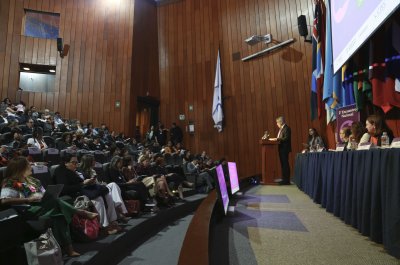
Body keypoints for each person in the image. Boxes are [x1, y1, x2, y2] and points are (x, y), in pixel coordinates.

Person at [1, 156, 98, 257]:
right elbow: (4, 200)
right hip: (28, 209)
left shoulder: (33, 180)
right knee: (56, 203)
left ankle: (68, 248)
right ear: (20, 168)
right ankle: (79, 212)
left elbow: (44, 193)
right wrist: (28, 199)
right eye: (28, 166)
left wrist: (47, 195)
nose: (31, 167)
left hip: (44, 205)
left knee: (60, 215)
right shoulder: (11, 182)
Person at [54, 154, 120, 235]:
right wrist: (83, 183)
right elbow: (65, 190)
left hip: (85, 192)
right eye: (73, 162)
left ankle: (112, 221)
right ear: (66, 163)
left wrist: (90, 181)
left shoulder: (76, 171)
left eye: (76, 163)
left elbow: (84, 181)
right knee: (98, 199)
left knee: (107, 196)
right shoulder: (62, 173)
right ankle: (103, 227)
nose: (75, 165)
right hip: (76, 196)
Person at [78, 155, 130, 223]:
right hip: (92, 191)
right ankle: (120, 212)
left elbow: (96, 183)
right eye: (93, 161)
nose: (95, 162)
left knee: (114, 185)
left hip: (98, 188)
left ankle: (118, 210)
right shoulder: (81, 172)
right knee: (112, 187)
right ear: (89, 162)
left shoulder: (93, 171)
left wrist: (101, 184)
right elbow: (86, 184)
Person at [269, 117, 292, 185]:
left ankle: (286, 180)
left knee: (285, 165)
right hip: (281, 148)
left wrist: (276, 139)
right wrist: (276, 139)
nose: (277, 124)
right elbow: (281, 138)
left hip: (285, 148)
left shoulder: (286, 128)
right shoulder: (282, 129)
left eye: (277, 122)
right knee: (283, 165)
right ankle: (284, 179)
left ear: (281, 122)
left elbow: (286, 139)